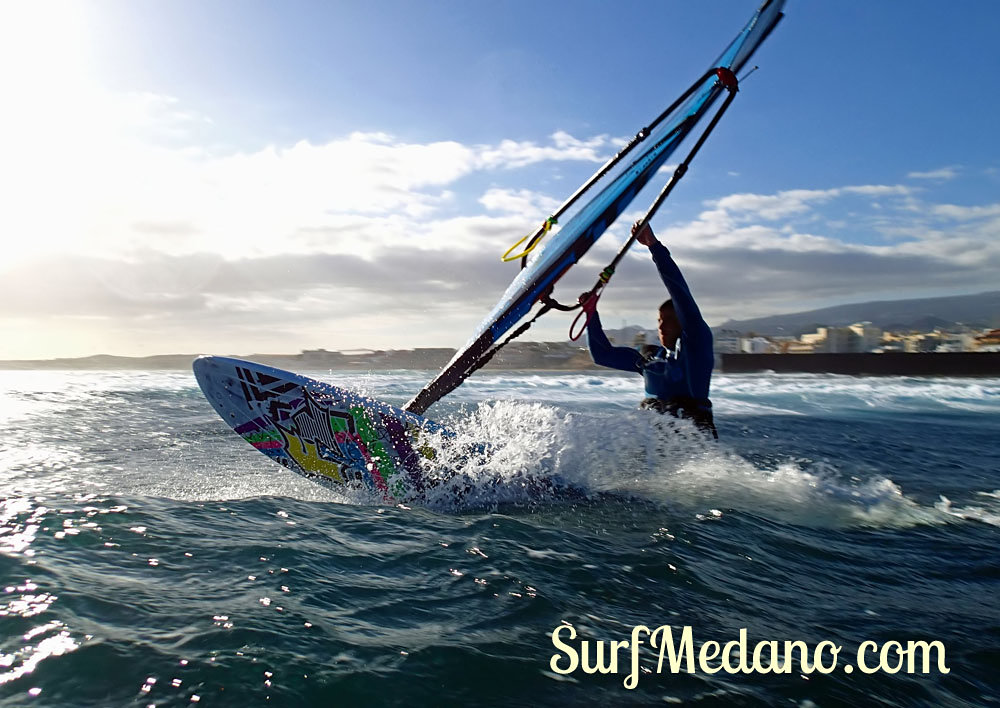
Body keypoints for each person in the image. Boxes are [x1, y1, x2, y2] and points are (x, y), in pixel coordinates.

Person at [583, 219, 717, 438]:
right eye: (659, 320)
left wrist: (654, 247)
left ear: (683, 322)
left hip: (693, 447)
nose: (662, 326)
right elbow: (602, 355)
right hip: (652, 450)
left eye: (669, 320)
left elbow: (680, 293)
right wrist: (590, 314)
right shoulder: (651, 360)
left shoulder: (696, 347)